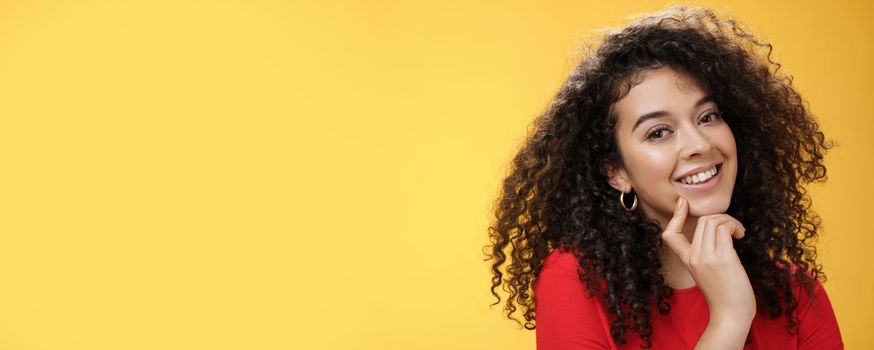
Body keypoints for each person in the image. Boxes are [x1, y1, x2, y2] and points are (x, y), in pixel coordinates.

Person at [484, 5, 843, 349]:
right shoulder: (574, 282)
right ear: (617, 173)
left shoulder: (796, 292)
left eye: (707, 117)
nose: (699, 144)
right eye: (658, 132)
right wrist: (730, 318)